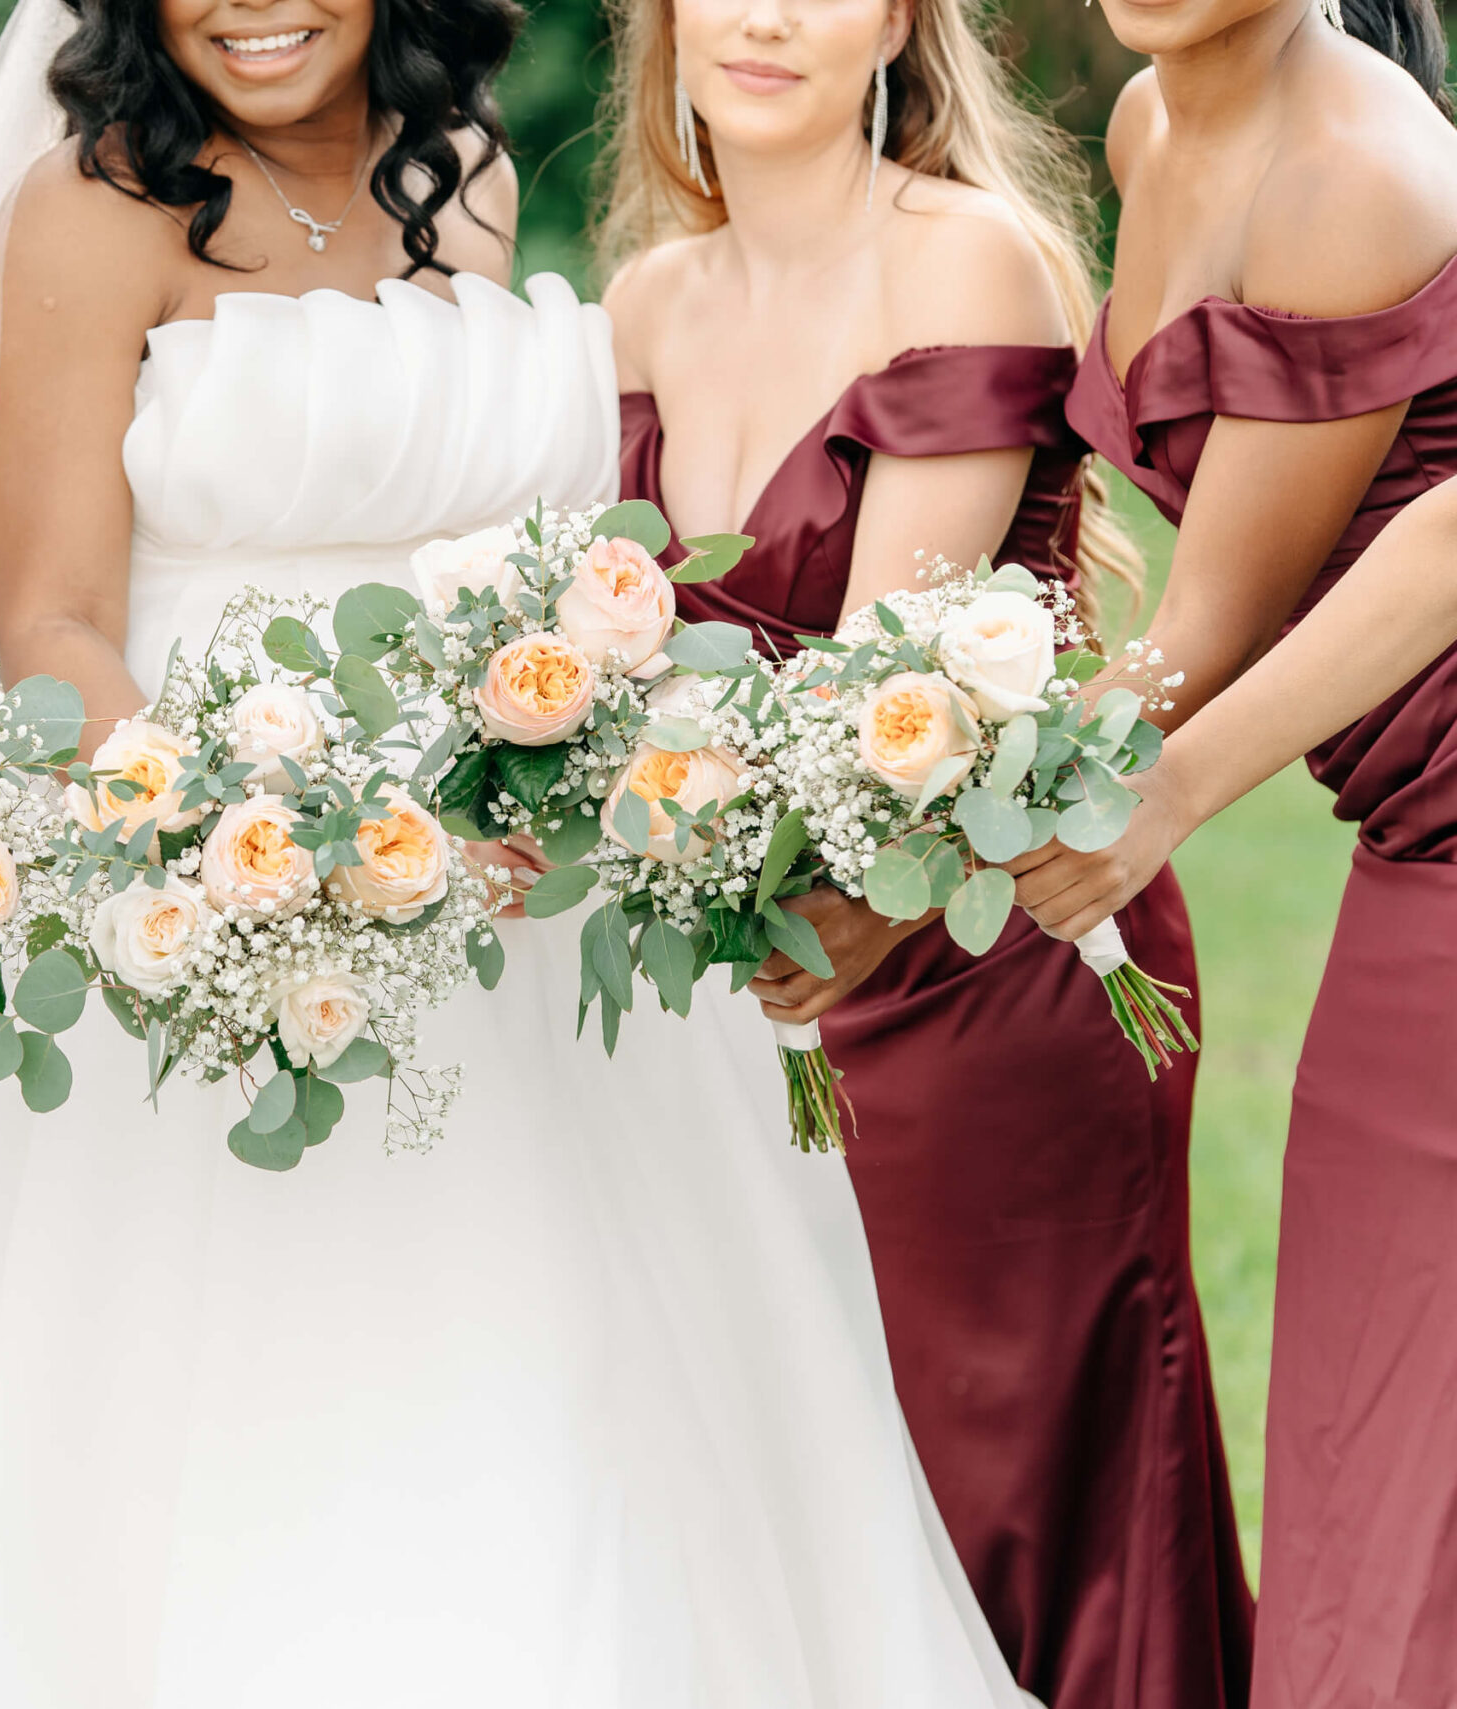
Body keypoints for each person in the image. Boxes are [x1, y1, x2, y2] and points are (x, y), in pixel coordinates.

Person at [0, 1, 1018, 1701]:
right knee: (222, 1421)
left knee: (555, 1380)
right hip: (205, 890)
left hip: (511, 916)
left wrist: (561, 761)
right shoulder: (96, 208)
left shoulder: (469, 170)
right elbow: (49, 620)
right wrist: (250, 852)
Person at [596, 1, 1249, 1702]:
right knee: (792, 1508)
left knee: (1007, 1494)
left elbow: (887, 706)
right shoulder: (643, 304)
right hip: (746, 987)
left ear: (896, 18)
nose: (762, 19)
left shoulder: (960, 262)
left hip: (982, 960)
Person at [1024, 0, 1457, 1699]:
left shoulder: (1350, 173)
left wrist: (1068, 783)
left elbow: (1216, 608)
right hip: (1405, 833)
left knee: (1402, 1466)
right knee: (1366, 1442)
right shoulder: (1151, 123)